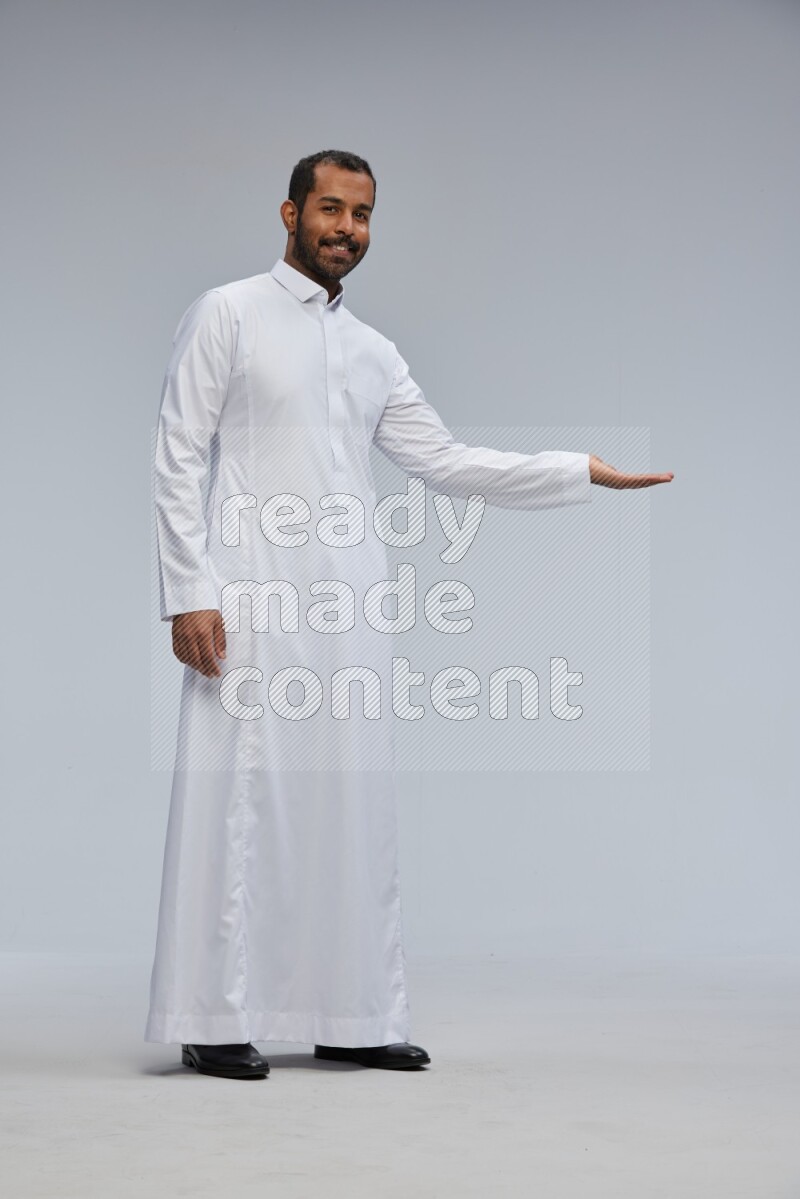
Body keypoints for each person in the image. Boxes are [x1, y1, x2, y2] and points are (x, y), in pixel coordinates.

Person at [145, 149, 674, 1081]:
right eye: (330, 209)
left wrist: (573, 469)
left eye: (361, 215)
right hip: (247, 596)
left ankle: (352, 1013)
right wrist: (189, 588)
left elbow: (446, 460)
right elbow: (179, 452)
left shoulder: (372, 351)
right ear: (290, 213)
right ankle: (211, 1014)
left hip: (349, 606)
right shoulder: (227, 313)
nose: (346, 229)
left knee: (351, 806)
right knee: (235, 796)